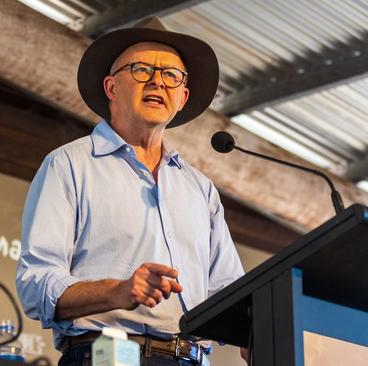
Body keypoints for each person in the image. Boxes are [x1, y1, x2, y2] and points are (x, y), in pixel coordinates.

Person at [16, 17, 245, 366]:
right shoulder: (70, 165)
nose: (157, 81)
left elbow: (229, 293)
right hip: (108, 356)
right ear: (111, 88)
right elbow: (36, 284)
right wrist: (118, 291)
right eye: (141, 70)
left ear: (182, 97)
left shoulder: (200, 189)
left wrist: (255, 333)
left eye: (171, 76)